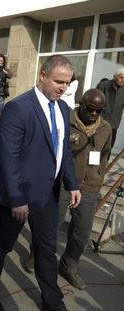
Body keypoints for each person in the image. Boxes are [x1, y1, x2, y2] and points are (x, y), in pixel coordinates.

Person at [0, 55, 81, 311]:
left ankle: (52, 300)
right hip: (20, 197)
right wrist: (17, 199)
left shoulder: (63, 109)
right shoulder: (19, 108)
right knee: (2, 245)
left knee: (46, 249)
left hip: (49, 196)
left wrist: (72, 184)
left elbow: (63, 152)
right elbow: (8, 158)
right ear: (43, 76)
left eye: (67, 83)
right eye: (59, 81)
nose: (63, 87)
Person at [57, 89, 111, 289]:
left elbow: (104, 155)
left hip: (88, 188)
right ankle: (37, 254)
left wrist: (98, 178)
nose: (94, 114)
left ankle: (68, 266)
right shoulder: (66, 120)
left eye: (99, 110)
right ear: (81, 104)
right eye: (90, 109)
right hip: (63, 184)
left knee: (81, 234)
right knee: (51, 226)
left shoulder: (105, 128)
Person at [96, 68, 124, 149]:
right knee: (97, 145)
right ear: (114, 77)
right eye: (121, 77)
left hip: (114, 123)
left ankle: (105, 161)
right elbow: (95, 101)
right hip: (99, 121)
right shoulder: (103, 85)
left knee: (109, 146)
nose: (123, 80)